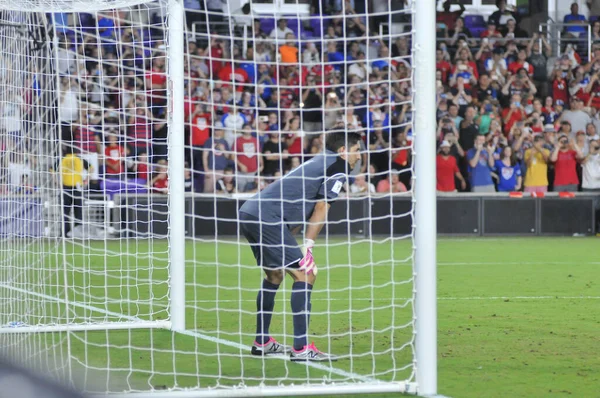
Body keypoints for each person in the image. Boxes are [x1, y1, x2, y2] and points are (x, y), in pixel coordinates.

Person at [238, 132, 362, 362]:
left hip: (250, 211)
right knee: (306, 274)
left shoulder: (317, 161)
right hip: (267, 216)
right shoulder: (338, 166)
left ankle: (262, 342)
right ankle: (302, 348)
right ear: (344, 150)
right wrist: (309, 247)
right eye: (356, 149)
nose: (359, 155)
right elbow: (322, 207)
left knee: (275, 275)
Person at [58, 145, 90, 237]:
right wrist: (86, 180)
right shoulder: (79, 158)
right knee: (78, 211)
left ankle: (64, 233)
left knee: (65, 212)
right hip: (77, 187)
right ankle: (78, 233)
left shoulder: (63, 159)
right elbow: (91, 168)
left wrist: (57, 182)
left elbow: (52, 170)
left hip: (65, 187)